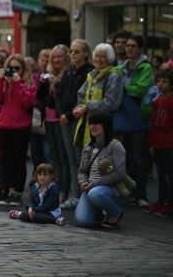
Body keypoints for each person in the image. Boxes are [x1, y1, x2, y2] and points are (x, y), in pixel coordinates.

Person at [0, 54, 37, 206]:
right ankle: (7, 190)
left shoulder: (28, 83)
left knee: (18, 160)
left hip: (21, 126)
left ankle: (17, 191)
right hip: (5, 125)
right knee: (6, 160)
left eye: (17, 68)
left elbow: (28, 102)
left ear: (23, 69)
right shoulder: (3, 83)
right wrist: (0, 79)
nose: (14, 71)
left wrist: (17, 83)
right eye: (11, 68)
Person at [56, 39, 93, 209]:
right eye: (71, 51)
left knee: (80, 158)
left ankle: (82, 194)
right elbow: (60, 94)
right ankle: (74, 194)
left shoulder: (89, 72)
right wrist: (60, 114)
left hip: (78, 120)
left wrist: (69, 116)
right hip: (64, 119)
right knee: (71, 158)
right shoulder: (69, 71)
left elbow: (82, 99)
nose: (73, 55)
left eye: (76, 51)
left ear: (85, 54)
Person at [73, 113, 128, 228]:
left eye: (97, 124)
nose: (92, 126)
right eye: (91, 124)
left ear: (106, 126)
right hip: (89, 188)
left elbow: (119, 173)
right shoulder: (88, 147)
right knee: (82, 221)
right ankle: (98, 212)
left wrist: (93, 184)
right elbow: (82, 171)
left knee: (95, 193)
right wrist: (82, 182)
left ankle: (116, 212)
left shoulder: (115, 146)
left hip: (109, 188)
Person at [118, 34, 153, 207]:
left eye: (133, 46)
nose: (129, 48)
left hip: (139, 116)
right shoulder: (121, 67)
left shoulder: (146, 67)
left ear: (139, 48)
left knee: (139, 158)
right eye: (127, 46)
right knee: (126, 157)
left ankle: (141, 194)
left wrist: (124, 88)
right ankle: (130, 192)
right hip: (124, 116)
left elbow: (140, 89)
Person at [73, 44, 123, 148]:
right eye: (97, 56)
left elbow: (111, 103)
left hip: (105, 125)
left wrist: (87, 107)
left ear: (109, 58)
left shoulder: (113, 76)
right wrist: (79, 108)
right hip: (88, 123)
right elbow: (81, 95)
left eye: (103, 56)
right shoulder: (92, 75)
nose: (99, 59)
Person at [146, 68, 173, 216]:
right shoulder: (156, 101)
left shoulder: (171, 101)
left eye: (165, 82)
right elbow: (153, 123)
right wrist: (151, 144)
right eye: (159, 81)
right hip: (158, 142)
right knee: (161, 174)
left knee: (169, 174)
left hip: (169, 143)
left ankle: (169, 202)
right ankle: (161, 200)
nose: (161, 84)